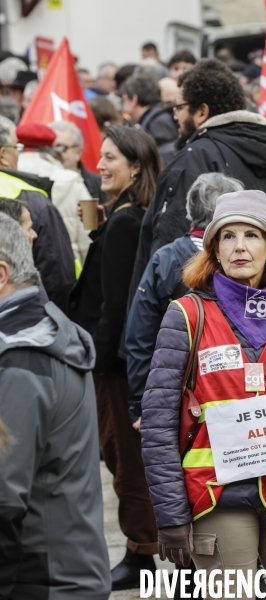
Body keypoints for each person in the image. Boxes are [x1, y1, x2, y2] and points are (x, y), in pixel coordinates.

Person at [140, 190, 266, 600]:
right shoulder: (187, 315)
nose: (239, 246)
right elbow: (156, 423)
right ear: (213, 250)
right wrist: (171, 515)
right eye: (227, 237)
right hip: (217, 496)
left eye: (252, 235)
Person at [68, 126, 161, 591]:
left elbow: (118, 305)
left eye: (111, 158)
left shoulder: (127, 221)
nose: (100, 165)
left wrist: (97, 361)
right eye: (100, 157)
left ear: (137, 165)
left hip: (117, 366)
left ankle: (142, 553)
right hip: (119, 362)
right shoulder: (125, 214)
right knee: (122, 456)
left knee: (125, 459)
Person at [0, 213, 111, 599]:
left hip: (44, 580)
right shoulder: (40, 330)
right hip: (61, 572)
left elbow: (3, 500)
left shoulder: (21, 357)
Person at [130, 58, 266, 297]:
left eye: (179, 108)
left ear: (202, 112)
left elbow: (171, 267)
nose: (174, 116)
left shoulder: (191, 160)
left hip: (202, 321)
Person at [126, 172, 243, 427]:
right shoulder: (249, 259)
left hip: (175, 397)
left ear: (190, 209)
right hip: (236, 396)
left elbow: (140, 335)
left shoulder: (165, 259)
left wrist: (139, 403)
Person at [0, 116, 76, 311]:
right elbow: (57, 274)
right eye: (17, 149)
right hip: (21, 318)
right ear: (2, 155)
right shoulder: (32, 199)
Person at [17, 122, 92, 267]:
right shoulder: (72, 180)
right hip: (67, 269)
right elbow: (88, 235)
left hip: (16, 271)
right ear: (50, 147)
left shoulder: (6, 177)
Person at [122, 74, 178, 166]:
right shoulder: (156, 119)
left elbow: (168, 159)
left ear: (134, 100)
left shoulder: (158, 123)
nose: (123, 107)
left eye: (124, 100)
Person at [48, 120, 107, 204]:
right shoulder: (38, 182)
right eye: (48, 148)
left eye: (61, 147)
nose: (54, 153)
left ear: (78, 153)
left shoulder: (100, 185)